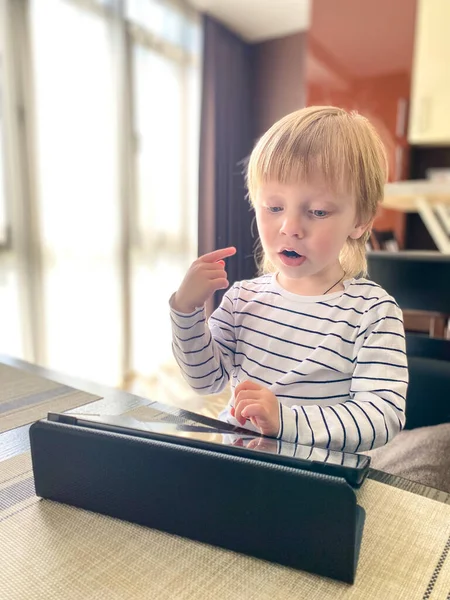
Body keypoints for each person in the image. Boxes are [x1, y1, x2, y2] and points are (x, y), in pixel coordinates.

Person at [169, 106, 408, 452]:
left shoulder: (372, 312)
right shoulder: (242, 299)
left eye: (318, 211)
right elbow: (205, 380)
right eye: (274, 207)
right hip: (237, 461)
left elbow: (381, 416)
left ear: (360, 221)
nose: (290, 228)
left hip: (315, 479)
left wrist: (284, 420)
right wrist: (186, 310)